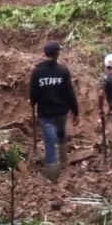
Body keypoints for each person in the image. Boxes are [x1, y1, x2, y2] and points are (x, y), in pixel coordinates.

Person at [28, 41, 79, 183]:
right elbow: (69, 93)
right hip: (61, 111)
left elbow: (33, 92)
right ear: (57, 54)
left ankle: (53, 176)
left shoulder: (37, 72)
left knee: (49, 142)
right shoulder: (63, 70)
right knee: (61, 134)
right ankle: (64, 162)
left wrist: (32, 101)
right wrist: (75, 111)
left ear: (45, 54)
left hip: (45, 113)